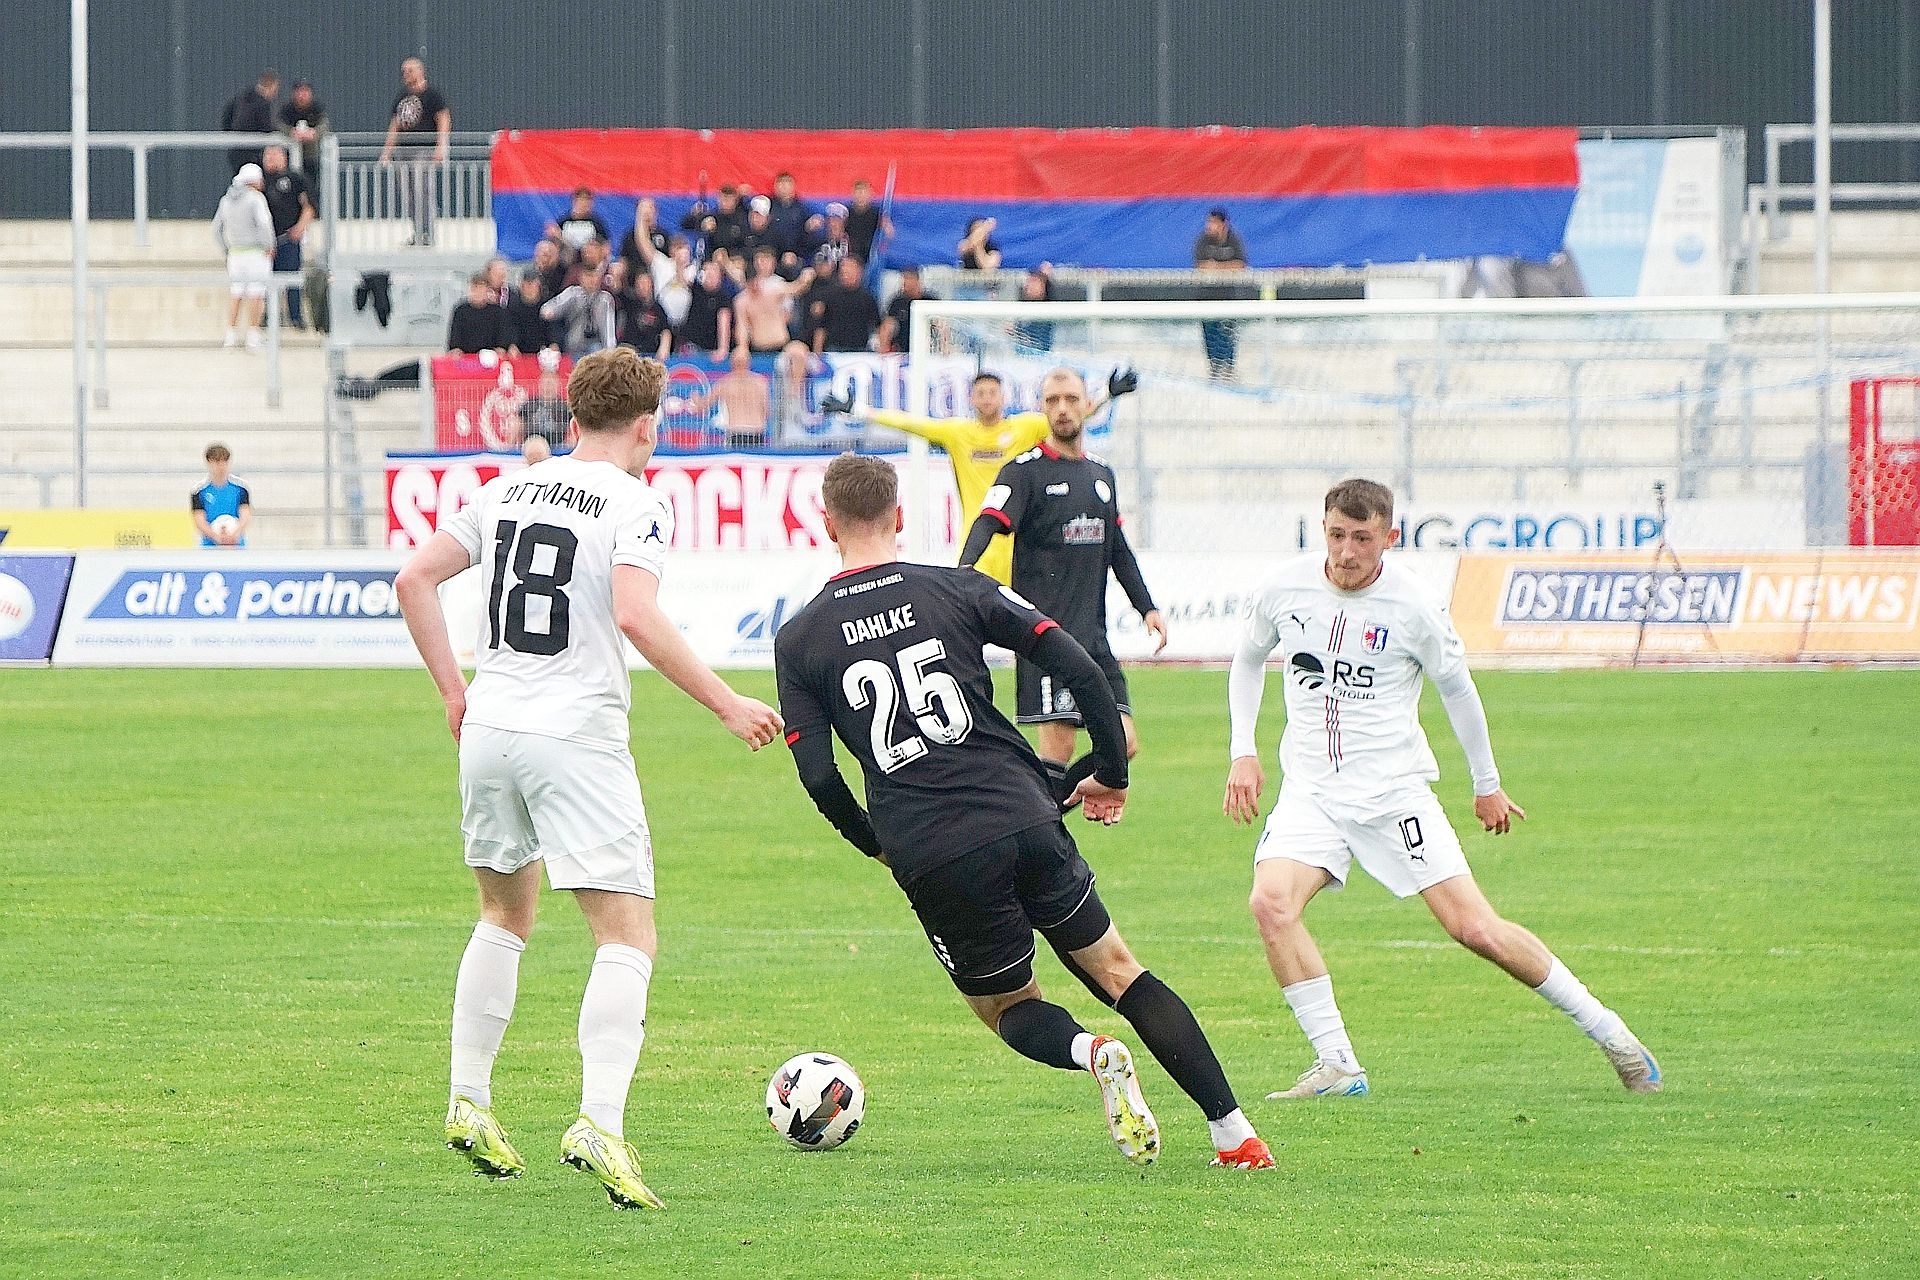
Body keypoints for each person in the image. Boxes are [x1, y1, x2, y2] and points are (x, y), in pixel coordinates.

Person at [774, 453, 1274, 1171]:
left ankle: (1091, 1051)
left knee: (1008, 1007)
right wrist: (1110, 771)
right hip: (1025, 814)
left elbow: (820, 777)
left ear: (826, 524)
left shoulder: (800, 638)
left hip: (932, 848)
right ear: (900, 517)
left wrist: (878, 845)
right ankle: (1236, 1135)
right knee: (1120, 970)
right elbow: (1080, 668)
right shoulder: (959, 587)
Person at [394, 347, 784, 1209]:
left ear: (572, 419)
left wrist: (455, 693)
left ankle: (468, 1099)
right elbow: (636, 614)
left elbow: (413, 578)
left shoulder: (506, 490)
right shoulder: (634, 501)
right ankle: (599, 1122)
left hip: (491, 728)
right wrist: (726, 703)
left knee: (502, 915)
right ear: (647, 426)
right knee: (626, 937)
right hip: (574, 735)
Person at [1223, 478, 1663, 1100]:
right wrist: (1243, 750)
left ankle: (1611, 1032)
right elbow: (1247, 660)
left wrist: (1487, 784)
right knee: (1271, 904)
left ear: (1390, 538)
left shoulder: (1416, 607)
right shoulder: (1283, 589)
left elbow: (1458, 691)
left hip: (1393, 796)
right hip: (1312, 794)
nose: (1346, 553)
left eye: (1362, 539)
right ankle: (1338, 1065)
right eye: (1336, 535)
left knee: (1476, 929)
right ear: (1322, 529)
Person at [959, 368, 1163, 775]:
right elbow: (988, 522)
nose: (1062, 408)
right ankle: (1038, 809)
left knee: (1123, 743)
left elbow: (1117, 550)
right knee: (1059, 747)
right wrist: (961, 574)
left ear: (1087, 405)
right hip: (1046, 637)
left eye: (1070, 399)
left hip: (1094, 639)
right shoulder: (1024, 471)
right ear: (1043, 409)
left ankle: (1040, 805)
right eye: (1052, 401)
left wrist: (1147, 608)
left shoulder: (1101, 474)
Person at [378, 58, 451, 247]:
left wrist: (441, 147)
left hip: (424, 149)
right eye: (404, 71)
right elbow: (395, 124)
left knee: (422, 191)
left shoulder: (432, 95)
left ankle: (428, 233)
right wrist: (387, 152)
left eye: (410, 71)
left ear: (420, 71)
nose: (406, 75)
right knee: (408, 195)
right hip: (404, 151)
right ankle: (417, 232)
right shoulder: (401, 96)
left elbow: (443, 119)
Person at [212, 163, 274, 350]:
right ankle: (253, 336)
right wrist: (269, 245)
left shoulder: (226, 200)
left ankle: (230, 336)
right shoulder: (256, 199)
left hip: (235, 254)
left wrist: (227, 249)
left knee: (236, 293)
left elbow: (216, 229)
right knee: (256, 294)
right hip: (256, 253)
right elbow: (264, 224)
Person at [260, 145, 315, 329]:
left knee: (293, 279)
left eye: (273, 154)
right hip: (266, 242)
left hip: (288, 239)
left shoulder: (295, 178)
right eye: (267, 155)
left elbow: (309, 206)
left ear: (283, 157)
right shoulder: (260, 181)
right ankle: (269, 316)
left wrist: (300, 227)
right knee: (266, 280)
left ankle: (295, 317)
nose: (269, 158)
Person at [1193, 209, 1247, 381]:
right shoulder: (1203, 240)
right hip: (1206, 296)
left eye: (1214, 223)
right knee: (1210, 332)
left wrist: (1217, 267)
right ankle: (1214, 367)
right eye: (1209, 222)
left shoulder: (1234, 240)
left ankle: (1228, 367)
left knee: (1228, 332)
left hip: (1228, 296)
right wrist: (1225, 268)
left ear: (1223, 224)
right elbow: (1201, 266)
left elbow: (1240, 265)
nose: (1210, 226)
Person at [542, 264, 617, 360]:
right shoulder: (573, 293)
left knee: (596, 350)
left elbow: (608, 327)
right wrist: (551, 311)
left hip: (596, 343)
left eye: (594, 277)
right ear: (581, 278)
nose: (592, 280)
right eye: (588, 276)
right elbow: (549, 307)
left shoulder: (605, 299)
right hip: (575, 342)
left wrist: (611, 352)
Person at [734, 246, 800, 355]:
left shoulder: (774, 288)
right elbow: (742, 326)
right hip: (758, 347)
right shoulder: (741, 301)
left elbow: (795, 288)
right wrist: (742, 346)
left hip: (780, 344)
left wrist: (805, 278)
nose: (754, 286)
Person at [810, 256, 881, 354]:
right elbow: (821, 328)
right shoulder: (829, 295)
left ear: (859, 271)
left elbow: (878, 326)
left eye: (850, 267)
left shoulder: (867, 298)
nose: (845, 270)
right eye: (843, 267)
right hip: (834, 350)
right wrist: (817, 354)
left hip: (860, 351)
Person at [701, 349, 770, 449]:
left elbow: (705, 404)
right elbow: (767, 411)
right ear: (749, 362)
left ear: (732, 362)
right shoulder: (760, 382)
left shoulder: (725, 383)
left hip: (736, 431)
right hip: (756, 431)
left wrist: (695, 399)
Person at [191, 443, 253, 547]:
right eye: (217, 462)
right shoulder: (199, 491)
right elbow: (199, 520)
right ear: (209, 462)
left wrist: (234, 535)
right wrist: (217, 538)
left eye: (224, 461)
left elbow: (245, 515)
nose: (221, 466)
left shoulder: (241, 488)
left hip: (236, 545)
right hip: (210, 546)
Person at [220, 70, 279, 174]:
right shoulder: (263, 103)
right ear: (272, 86)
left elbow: (226, 117)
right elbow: (266, 127)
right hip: (252, 153)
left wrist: (230, 134)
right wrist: (278, 132)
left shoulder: (241, 97)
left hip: (235, 150)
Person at [677, 258, 734, 360]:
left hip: (709, 348)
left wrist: (723, 349)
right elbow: (682, 280)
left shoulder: (723, 298)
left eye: (713, 271)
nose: (709, 274)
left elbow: (724, 322)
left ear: (720, 276)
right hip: (691, 345)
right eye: (706, 271)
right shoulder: (697, 290)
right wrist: (680, 264)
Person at [448, 272, 512, 355]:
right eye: (474, 288)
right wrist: (455, 348)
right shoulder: (460, 310)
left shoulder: (497, 311)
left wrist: (501, 347)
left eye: (481, 289)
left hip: (490, 356)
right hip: (466, 356)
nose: (477, 292)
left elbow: (502, 334)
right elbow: (455, 335)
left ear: (487, 290)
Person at [615, 271, 673, 362]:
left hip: (650, 355)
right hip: (630, 352)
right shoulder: (629, 303)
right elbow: (618, 291)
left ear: (651, 285)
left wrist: (665, 345)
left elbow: (666, 330)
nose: (642, 287)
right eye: (640, 283)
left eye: (645, 283)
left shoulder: (658, 309)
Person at [517, 354, 571, 450]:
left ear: (557, 384)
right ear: (540, 383)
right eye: (545, 382)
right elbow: (519, 424)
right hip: (532, 447)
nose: (548, 386)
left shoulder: (564, 407)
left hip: (557, 448)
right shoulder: (530, 404)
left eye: (551, 382)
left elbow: (572, 428)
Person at [877, 266, 935, 354]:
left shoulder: (929, 301)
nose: (905, 282)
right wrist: (884, 347)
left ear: (917, 280)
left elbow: (940, 325)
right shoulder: (897, 302)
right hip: (902, 352)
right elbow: (888, 325)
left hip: (926, 351)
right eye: (904, 279)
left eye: (908, 278)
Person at [277, 79, 328, 174]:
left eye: (305, 91)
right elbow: (279, 125)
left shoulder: (317, 109)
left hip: (311, 157)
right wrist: (291, 132)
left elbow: (324, 125)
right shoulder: (287, 110)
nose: (302, 95)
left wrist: (314, 133)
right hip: (288, 156)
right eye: (299, 91)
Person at [552, 188, 611, 255]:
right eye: (581, 200)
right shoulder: (564, 221)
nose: (584, 203)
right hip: (567, 255)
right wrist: (556, 235)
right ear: (574, 201)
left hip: (589, 256)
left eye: (587, 200)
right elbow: (555, 239)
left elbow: (605, 243)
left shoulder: (596, 222)